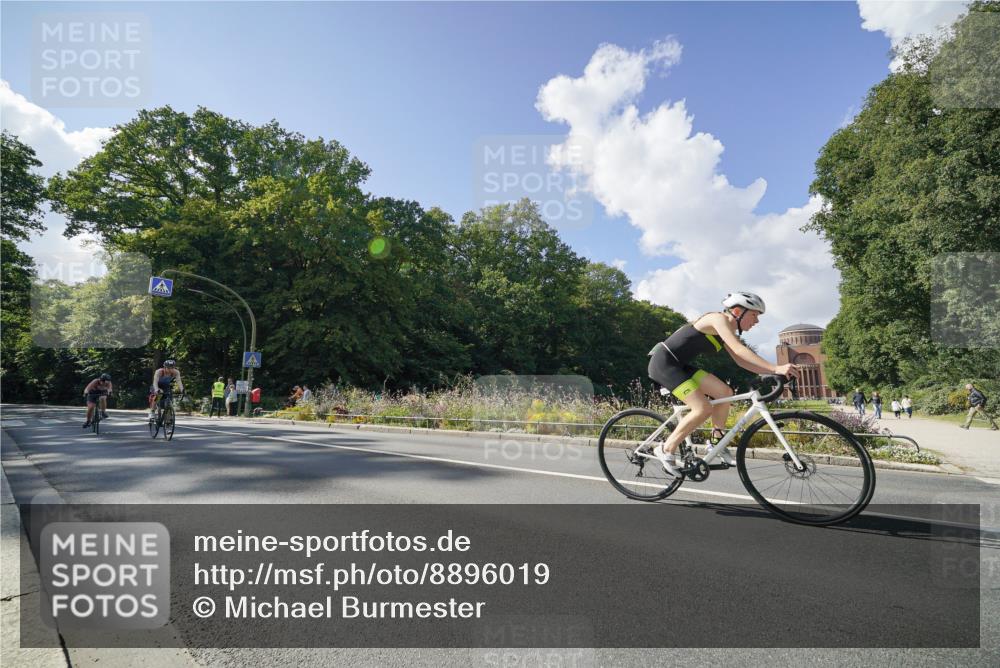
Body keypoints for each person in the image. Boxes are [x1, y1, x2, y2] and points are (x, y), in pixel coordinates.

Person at [647, 292, 798, 476]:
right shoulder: (717, 319)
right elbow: (739, 349)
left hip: (681, 366)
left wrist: (770, 372)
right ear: (736, 311)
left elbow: (741, 361)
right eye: (754, 315)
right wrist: (775, 368)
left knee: (725, 392)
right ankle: (666, 449)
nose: (756, 321)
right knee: (702, 408)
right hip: (664, 364)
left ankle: (716, 442)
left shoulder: (727, 329)